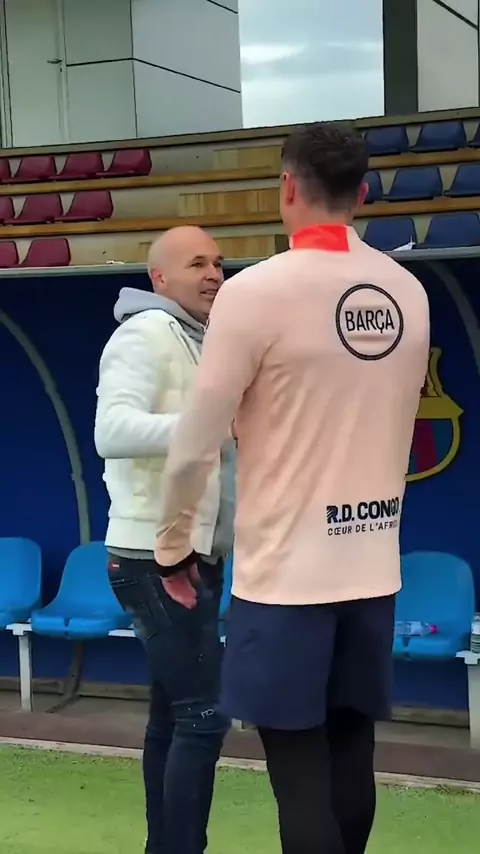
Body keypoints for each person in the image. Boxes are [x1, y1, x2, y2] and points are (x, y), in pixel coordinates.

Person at [153, 123, 430, 854]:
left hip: (285, 578)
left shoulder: (254, 293)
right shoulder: (408, 291)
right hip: (372, 566)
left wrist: (173, 546)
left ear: (286, 187)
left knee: (300, 772)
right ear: (361, 193)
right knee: (352, 752)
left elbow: (195, 443)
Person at [94, 226, 234, 854]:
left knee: (173, 717)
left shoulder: (201, 338)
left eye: (219, 263)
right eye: (197, 263)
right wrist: (207, 424)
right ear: (159, 278)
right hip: (154, 557)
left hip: (197, 553)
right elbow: (112, 430)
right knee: (202, 717)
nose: (214, 274)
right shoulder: (145, 333)